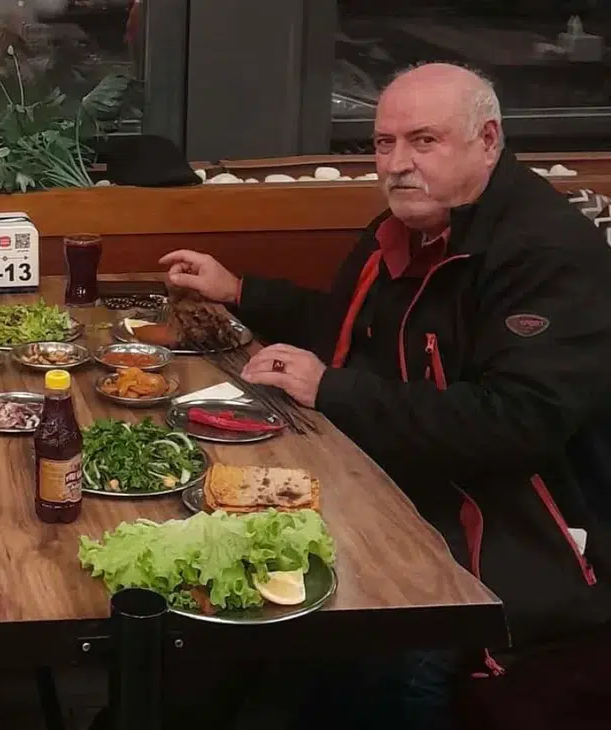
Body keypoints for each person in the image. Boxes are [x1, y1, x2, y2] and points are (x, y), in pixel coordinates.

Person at [160, 63, 611, 728]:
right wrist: (241, 291)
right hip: (391, 489)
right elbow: (346, 328)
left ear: (488, 141)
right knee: (215, 573)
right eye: (383, 143)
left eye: (424, 141)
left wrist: (331, 388)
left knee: (371, 644)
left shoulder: (547, 252)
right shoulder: (400, 229)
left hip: (514, 532)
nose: (397, 164)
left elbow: (516, 421)